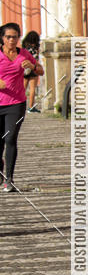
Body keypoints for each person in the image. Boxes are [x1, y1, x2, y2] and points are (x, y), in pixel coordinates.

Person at [0, 22, 44, 192]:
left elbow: (40, 71)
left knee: (10, 139)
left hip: (16, 104)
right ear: (2, 38)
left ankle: (9, 179)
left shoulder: (23, 54)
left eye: (15, 37)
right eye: (8, 37)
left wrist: (32, 66)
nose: (12, 40)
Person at [21, 30, 41, 113]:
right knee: (32, 88)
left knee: (23, 88)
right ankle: (31, 107)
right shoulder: (35, 48)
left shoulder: (24, 47)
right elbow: (36, 59)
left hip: (25, 68)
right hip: (33, 68)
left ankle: (18, 105)